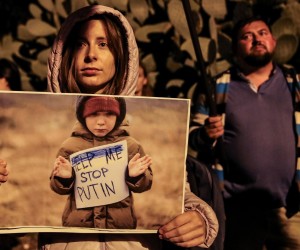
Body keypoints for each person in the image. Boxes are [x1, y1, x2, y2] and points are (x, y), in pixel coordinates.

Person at [41, 4, 218, 250]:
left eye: (104, 44)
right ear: (65, 54)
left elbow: (174, 192)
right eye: (81, 43)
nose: (91, 54)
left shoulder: (135, 140)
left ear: (121, 55)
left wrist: (198, 217)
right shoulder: (65, 140)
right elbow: (52, 188)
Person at [189, 16, 300, 250]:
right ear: (235, 47)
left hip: (290, 207)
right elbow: (191, 136)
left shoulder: (295, 83)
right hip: (236, 208)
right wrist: (205, 134)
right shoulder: (217, 86)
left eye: (262, 33)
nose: (256, 39)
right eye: (247, 36)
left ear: (274, 41)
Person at [51, 96, 153, 229]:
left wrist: (134, 176)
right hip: (80, 226)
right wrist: (64, 179)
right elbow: (57, 187)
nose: (100, 122)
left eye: (109, 114)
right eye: (93, 114)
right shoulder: (69, 147)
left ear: (119, 115)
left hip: (119, 226)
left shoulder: (131, 146)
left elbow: (144, 185)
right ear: (83, 116)